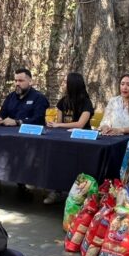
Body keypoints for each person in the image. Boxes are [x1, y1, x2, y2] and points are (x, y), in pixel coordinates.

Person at [43, 73, 95, 204]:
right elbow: (59, 123)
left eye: (65, 82)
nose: (63, 84)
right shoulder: (62, 102)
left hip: (82, 140)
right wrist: (53, 124)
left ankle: (81, 193)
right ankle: (56, 190)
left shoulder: (86, 102)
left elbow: (80, 124)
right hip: (64, 139)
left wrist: (59, 124)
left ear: (73, 84)